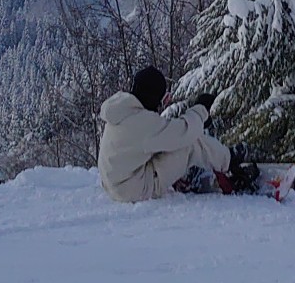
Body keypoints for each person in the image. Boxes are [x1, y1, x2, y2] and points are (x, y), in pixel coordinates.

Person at [97, 66, 234, 202]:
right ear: (152, 97)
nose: (161, 105)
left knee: (165, 145)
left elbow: (163, 135)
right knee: (189, 144)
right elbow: (184, 132)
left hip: (117, 184)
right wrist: (201, 111)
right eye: (163, 99)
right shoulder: (143, 123)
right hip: (134, 189)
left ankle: (188, 174)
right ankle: (231, 164)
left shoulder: (123, 111)